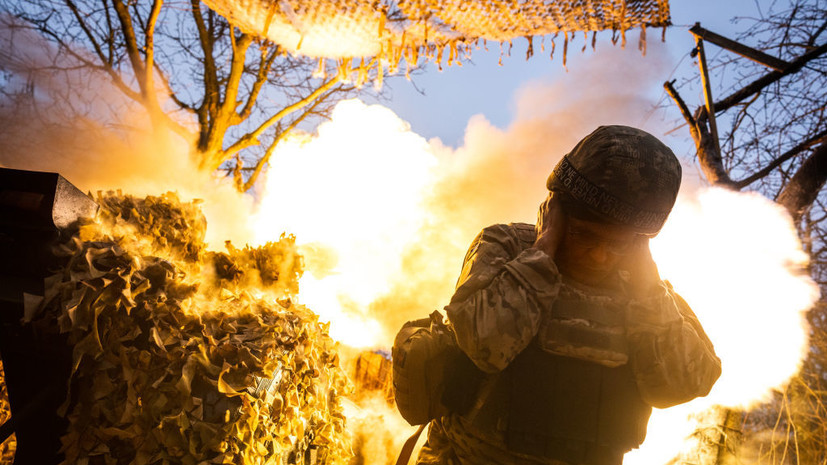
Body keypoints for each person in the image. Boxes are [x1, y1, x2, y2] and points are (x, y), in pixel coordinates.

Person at [415, 125, 722, 465]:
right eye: (584, 235)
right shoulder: (506, 246)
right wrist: (542, 253)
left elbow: (680, 386)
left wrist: (648, 290)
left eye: (617, 243)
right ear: (554, 210)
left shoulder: (646, 289)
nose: (600, 255)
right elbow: (483, 343)